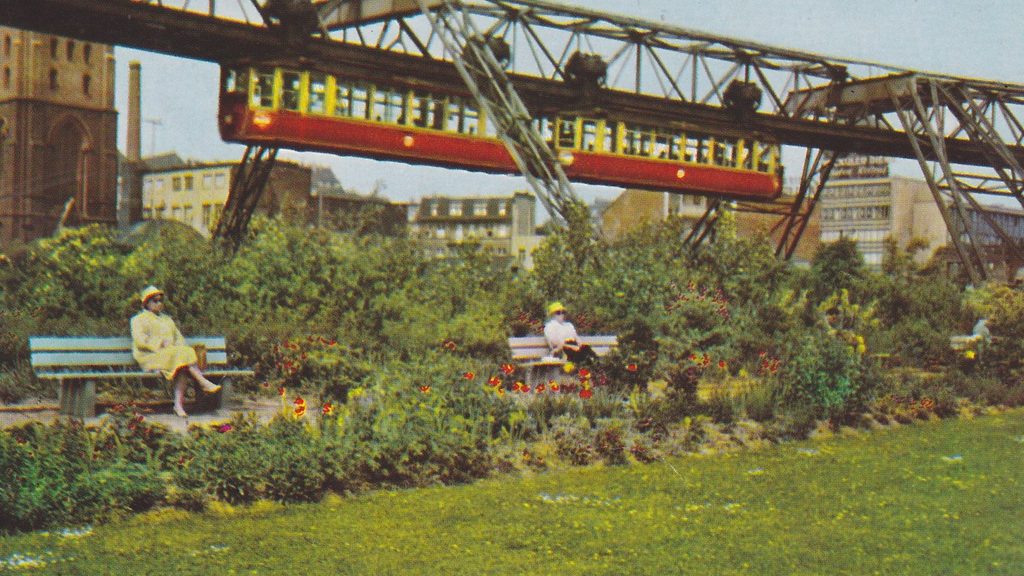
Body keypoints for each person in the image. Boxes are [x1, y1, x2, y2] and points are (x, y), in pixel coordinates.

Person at [130, 285, 220, 418]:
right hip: (150, 356)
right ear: (146, 303)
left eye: (161, 300)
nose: (159, 303)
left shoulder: (167, 319)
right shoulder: (138, 320)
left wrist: (177, 348)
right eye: (155, 300)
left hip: (171, 356)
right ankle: (203, 381)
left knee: (183, 363)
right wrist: (160, 343)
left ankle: (178, 406)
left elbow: (179, 338)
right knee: (181, 357)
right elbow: (140, 341)